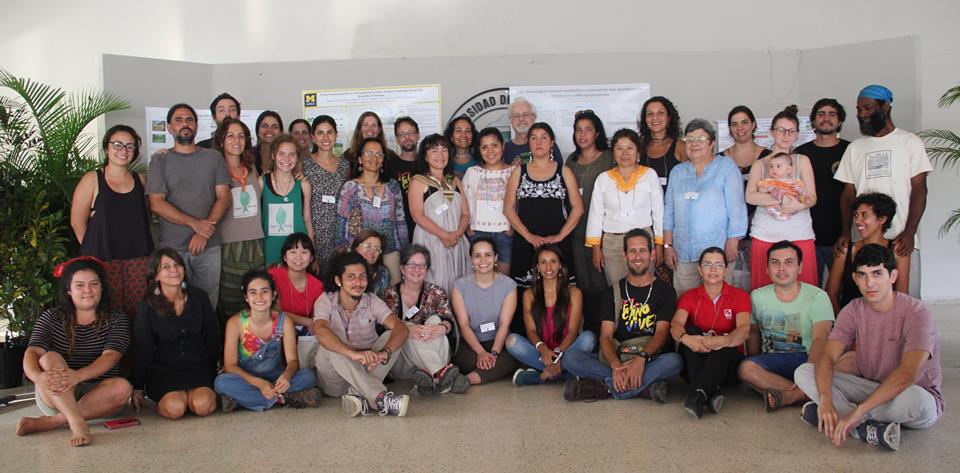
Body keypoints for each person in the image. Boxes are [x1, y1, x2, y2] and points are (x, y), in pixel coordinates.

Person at [795, 244, 942, 451]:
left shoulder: (917, 313)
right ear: (855, 279)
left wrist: (859, 411)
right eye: (862, 275)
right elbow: (827, 356)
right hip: (872, 388)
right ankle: (864, 428)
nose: (869, 283)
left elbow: (908, 374)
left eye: (877, 274)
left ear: (893, 276)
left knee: (915, 399)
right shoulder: (853, 310)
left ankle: (846, 417)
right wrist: (826, 399)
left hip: (911, 395)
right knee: (804, 372)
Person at [15, 257, 132, 447]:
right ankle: (76, 422)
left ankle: (54, 422)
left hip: (100, 396)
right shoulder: (51, 317)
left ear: (102, 288)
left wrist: (77, 376)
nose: (88, 290)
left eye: (94, 284)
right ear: (69, 290)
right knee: (49, 357)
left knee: (123, 387)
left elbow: (111, 356)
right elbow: (32, 352)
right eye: (79, 285)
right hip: (56, 394)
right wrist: (38, 377)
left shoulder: (117, 318)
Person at [563, 229, 683, 402]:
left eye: (642, 250)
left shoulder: (665, 291)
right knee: (570, 358)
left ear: (652, 254)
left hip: (648, 358)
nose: (637, 256)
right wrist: (616, 366)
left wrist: (640, 360)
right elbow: (605, 337)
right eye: (632, 251)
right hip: (618, 355)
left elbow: (661, 333)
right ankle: (643, 388)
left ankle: (605, 388)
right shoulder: (612, 291)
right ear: (624, 255)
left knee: (674, 361)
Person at [834, 84, 932, 297]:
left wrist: (910, 232)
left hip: (901, 241)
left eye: (867, 108)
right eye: (859, 109)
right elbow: (848, 193)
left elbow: (919, 190)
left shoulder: (909, 142)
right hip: (863, 240)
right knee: (866, 299)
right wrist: (845, 231)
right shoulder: (855, 148)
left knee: (906, 301)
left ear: (885, 107)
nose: (862, 114)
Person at [146, 103, 231, 309]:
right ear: (169, 128)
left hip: (208, 246)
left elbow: (224, 197)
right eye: (179, 120)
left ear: (196, 126)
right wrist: (196, 225)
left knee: (207, 305)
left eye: (190, 120)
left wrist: (204, 233)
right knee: (174, 305)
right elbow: (156, 203)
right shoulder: (160, 160)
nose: (185, 124)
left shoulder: (213, 157)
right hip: (173, 249)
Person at [737, 240, 834, 412]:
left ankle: (791, 394)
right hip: (772, 361)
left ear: (800, 267)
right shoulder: (757, 296)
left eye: (789, 262)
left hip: (806, 358)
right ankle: (805, 394)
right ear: (767, 269)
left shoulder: (818, 297)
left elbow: (820, 340)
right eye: (775, 263)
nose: (781, 268)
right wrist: (755, 361)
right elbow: (753, 334)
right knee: (746, 369)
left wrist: (809, 373)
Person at [312, 251, 411, 417]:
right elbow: (320, 330)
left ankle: (359, 395)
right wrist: (352, 354)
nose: (358, 282)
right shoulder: (326, 300)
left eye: (362, 276)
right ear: (338, 280)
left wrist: (384, 353)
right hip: (336, 380)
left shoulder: (372, 300)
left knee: (391, 336)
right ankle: (380, 398)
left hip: (367, 369)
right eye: (351, 277)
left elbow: (401, 328)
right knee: (329, 344)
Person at [70, 125, 154, 317]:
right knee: (106, 312)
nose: (123, 150)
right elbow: (77, 222)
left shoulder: (141, 181)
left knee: (139, 313)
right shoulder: (92, 179)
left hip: (138, 260)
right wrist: (93, 248)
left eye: (130, 146)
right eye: (117, 144)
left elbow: (145, 218)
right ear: (107, 148)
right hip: (103, 259)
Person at [214, 270, 320, 412]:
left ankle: (244, 400)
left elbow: (293, 361)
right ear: (246, 297)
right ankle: (283, 399)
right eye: (253, 293)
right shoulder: (235, 323)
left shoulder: (284, 321)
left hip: (275, 376)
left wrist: (286, 376)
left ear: (273, 294)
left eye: (264, 291)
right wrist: (258, 383)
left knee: (308, 376)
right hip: (247, 379)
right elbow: (230, 366)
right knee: (221, 383)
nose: (259, 297)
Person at [132, 248, 220, 420]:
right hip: (165, 370)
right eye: (166, 267)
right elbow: (143, 348)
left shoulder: (199, 297)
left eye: (177, 264)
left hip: (198, 366)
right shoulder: (148, 305)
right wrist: (138, 386)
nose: (174, 270)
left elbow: (212, 337)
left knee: (203, 406)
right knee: (175, 409)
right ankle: (179, 398)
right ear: (156, 275)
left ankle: (192, 397)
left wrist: (214, 368)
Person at [663, 119, 747, 296]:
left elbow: (737, 209)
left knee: (718, 299)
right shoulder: (677, 172)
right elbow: (669, 211)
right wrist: (667, 245)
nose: (694, 144)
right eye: (689, 139)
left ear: (712, 143)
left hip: (717, 251)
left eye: (701, 139)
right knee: (685, 300)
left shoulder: (726, 168)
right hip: (683, 252)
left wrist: (733, 241)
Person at [669, 247, 751, 419]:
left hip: (727, 368)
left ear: (726, 269)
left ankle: (698, 393)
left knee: (726, 342)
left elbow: (744, 329)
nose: (713, 270)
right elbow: (676, 324)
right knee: (690, 330)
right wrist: (686, 339)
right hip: (695, 361)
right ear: (699, 269)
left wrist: (725, 340)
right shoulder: (688, 296)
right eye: (707, 264)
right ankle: (708, 393)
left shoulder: (740, 296)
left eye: (719, 265)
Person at [745, 106, 819, 289]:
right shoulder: (761, 164)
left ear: (797, 134)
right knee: (764, 293)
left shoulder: (802, 161)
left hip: (799, 234)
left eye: (791, 131)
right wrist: (782, 198)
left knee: (804, 292)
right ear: (772, 132)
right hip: (765, 235)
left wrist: (798, 205)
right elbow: (750, 196)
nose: (786, 135)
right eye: (781, 130)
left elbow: (812, 197)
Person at [379, 244, 469, 395]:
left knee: (434, 320)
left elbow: (448, 319)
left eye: (422, 265)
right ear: (402, 269)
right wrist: (408, 329)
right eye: (412, 265)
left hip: (436, 349)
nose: (417, 269)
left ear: (427, 269)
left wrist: (442, 328)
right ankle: (440, 374)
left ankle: (430, 377)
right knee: (403, 327)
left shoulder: (436, 292)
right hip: (403, 362)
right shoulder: (389, 295)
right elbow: (383, 326)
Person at [504, 122, 584, 288]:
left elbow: (578, 208)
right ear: (528, 143)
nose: (538, 142)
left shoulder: (564, 171)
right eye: (534, 138)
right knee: (526, 293)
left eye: (544, 138)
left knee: (561, 292)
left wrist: (560, 236)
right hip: (526, 243)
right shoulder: (518, 171)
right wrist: (528, 236)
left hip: (557, 244)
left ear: (552, 142)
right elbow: (508, 208)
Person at [506, 245, 595, 385]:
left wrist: (558, 355)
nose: (548, 267)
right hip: (541, 353)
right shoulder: (529, 294)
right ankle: (566, 374)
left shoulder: (574, 292)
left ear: (560, 265)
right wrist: (543, 349)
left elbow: (573, 330)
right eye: (543, 262)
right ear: (537, 267)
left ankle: (539, 377)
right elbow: (530, 330)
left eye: (553, 261)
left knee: (589, 338)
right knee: (511, 342)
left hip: (567, 350)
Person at [586, 128, 664, 287]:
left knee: (644, 288)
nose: (625, 153)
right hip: (613, 244)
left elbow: (659, 212)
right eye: (619, 148)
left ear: (638, 151)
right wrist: (596, 247)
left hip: (643, 242)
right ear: (613, 152)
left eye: (630, 148)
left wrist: (659, 244)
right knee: (617, 289)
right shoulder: (603, 179)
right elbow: (595, 215)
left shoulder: (650, 175)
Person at [336, 137, 409, 284]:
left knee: (392, 293)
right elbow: (341, 222)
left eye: (379, 154)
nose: (374, 158)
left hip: (389, 251)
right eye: (369, 153)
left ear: (383, 160)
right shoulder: (350, 187)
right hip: (358, 252)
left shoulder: (392, 186)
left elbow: (400, 221)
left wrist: (405, 250)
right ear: (360, 159)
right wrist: (342, 251)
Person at [213, 118, 265, 320]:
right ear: (221, 141)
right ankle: (230, 339)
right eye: (231, 136)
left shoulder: (251, 168)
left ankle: (253, 340)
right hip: (230, 246)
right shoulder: (214, 170)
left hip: (256, 244)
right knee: (230, 302)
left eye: (241, 136)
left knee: (257, 301)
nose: (237, 140)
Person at [794, 98, 850, 285]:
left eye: (832, 114)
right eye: (821, 114)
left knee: (842, 289)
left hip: (842, 236)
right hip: (807, 235)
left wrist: (847, 232)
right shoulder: (800, 153)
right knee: (810, 290)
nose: (826, 118)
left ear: (840, 121)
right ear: (813, 120)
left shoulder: (850, 150)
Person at [826, 192, 909, 313]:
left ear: (882, 219)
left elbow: (902, 295)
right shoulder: (845, 250)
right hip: (851, 317)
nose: (857, 221)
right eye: (856, 215)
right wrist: (843, 320)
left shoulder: (897, 250)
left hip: (886, 318)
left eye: (864, 215)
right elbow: (831, 293)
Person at [451, 237, 518, 385]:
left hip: (497, 341)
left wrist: (493, 353)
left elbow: (504, 325)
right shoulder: (459, 286)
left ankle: (464, 380)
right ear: (471, 259)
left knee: (511, 358)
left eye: (488, 255)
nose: (483, 260)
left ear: (496, 258)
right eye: (477, 255)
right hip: (469, 343)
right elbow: (463, 325)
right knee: (471, 361)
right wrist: (481, 352)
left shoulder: (509, 285)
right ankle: (476, 375)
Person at [408, 133, 470, 292]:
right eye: (434, 150)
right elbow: (417, 216)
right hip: (431, 240)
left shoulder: (454, 180)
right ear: (425, 156)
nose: (440, 155)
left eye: (444, 150)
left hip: (456, 240)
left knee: (459, 284)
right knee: (435, 285)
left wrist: (456, 234)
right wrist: (444, 235)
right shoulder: (418, 181)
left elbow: (465, 213)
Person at [721, 105, 773, 290]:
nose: (740, 128)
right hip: (728, 233)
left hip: (761, 229)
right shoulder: (720, 159)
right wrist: (735, 231)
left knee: (761, 282)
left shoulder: (769, 157)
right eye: (734, 124)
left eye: (744, 122)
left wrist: (746, 224)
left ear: (754, 125)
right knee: (731, 284)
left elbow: (772, 194)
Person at [564, 110, 615, 294]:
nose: (582, 134)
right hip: (576, 231)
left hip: (602, 232)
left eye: (588, 129)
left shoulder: (609, 157)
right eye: (578, 130)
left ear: (597, 133)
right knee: (582, 282)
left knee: (602, 280)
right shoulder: (571, 160)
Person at [638, 96, 686, 285]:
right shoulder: (638, 148)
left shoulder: (680, 146)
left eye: (660, 113)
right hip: (645, 222)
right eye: (650, 114)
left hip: (674, 222)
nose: (655, 118)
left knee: (674, 278)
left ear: (669, 117)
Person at [462, 127, 514, 276]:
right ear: (479, 149)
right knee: (479, 278)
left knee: (503, 280)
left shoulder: (514, 171)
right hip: (477, 232)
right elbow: (463, 203)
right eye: (484, 147)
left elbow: (520, 203)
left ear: (503, 146)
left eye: (494, 145)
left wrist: (512, 228)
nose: (490, 151)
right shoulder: (472, 172)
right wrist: (468, 229)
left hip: (504, 232)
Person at [302, 115, 350, 266]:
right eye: (320, 133)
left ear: (336, 135)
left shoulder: (345, 165)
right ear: (313, 137)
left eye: (329, 132)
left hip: (339, 234)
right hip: (314, 233)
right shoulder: (304, 164)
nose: (325, 137)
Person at [262, 134, 313, 266]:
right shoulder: (262, 182)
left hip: (298, 255)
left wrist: (313, 254)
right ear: (273, 155)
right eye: (282, 154)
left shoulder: (304, 185)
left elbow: (307, 221)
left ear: (297, 158)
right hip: (270, 250)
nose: (286, 159)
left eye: (292, 154)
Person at [386, 116, 421, 242]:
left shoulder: (428, 163)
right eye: (402, 134)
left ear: (418, 135)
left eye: (410, 132)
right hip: (401, 228)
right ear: (397, 139)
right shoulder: (389, 166)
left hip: (428, 227)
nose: (407, 137)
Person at [502, 97, 563, 166]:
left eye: (526, 114)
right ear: (511, 120)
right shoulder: (504, 149)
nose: (521, 119)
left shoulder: (548, 144)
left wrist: (525, 159)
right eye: (516, 116)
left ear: (534, 117)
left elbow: (560, 170)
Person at [341, 111, 400, 179]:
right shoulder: (348, 155)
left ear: (379, 129)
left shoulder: (390, 156)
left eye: (373, 125)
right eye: (365, 125)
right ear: (359, 129)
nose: (370, 129)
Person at [755, 153, 808, 221]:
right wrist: (768, 189)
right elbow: (760, 189)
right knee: (773, 197)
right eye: (771, 166)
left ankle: (784, 208)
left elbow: (802, 193)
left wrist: (798, 189)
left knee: (793, 198)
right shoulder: (770, 181)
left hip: (790, 204)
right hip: (774, 205)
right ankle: (778, 199)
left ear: (788, 169)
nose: (774, 169)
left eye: (778, 166)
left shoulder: (794, 182)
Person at [351, 229, 392, 296]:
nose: (372, 251)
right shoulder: (343, 268)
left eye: (377, 249)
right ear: (356, 247)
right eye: (368, 246)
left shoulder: (383, 272)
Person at [444, 115, 480, 179]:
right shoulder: (443, 162)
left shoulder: (481, 160)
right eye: (458, 131)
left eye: (468, 131)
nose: (464, 135)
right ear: (451, 137)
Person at [251, 110, 282, 175]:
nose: (269, 130)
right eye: (264, 126)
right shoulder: (248, 154)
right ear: (257, 130)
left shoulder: (286, 156)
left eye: (275, 127)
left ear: (280, 132)